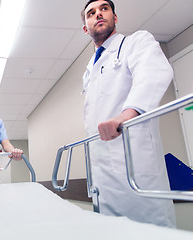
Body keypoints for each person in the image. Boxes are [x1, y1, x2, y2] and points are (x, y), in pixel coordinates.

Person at [81, 0, 176, 227]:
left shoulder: (136, 42)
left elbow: (153, 74)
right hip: (102, 175)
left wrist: (128, 114)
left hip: (137, 167)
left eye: (104, 9)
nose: (98, 14)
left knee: (150, 229)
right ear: (86, 27)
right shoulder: (88, 70)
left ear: (115, 17)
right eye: (91, 13)